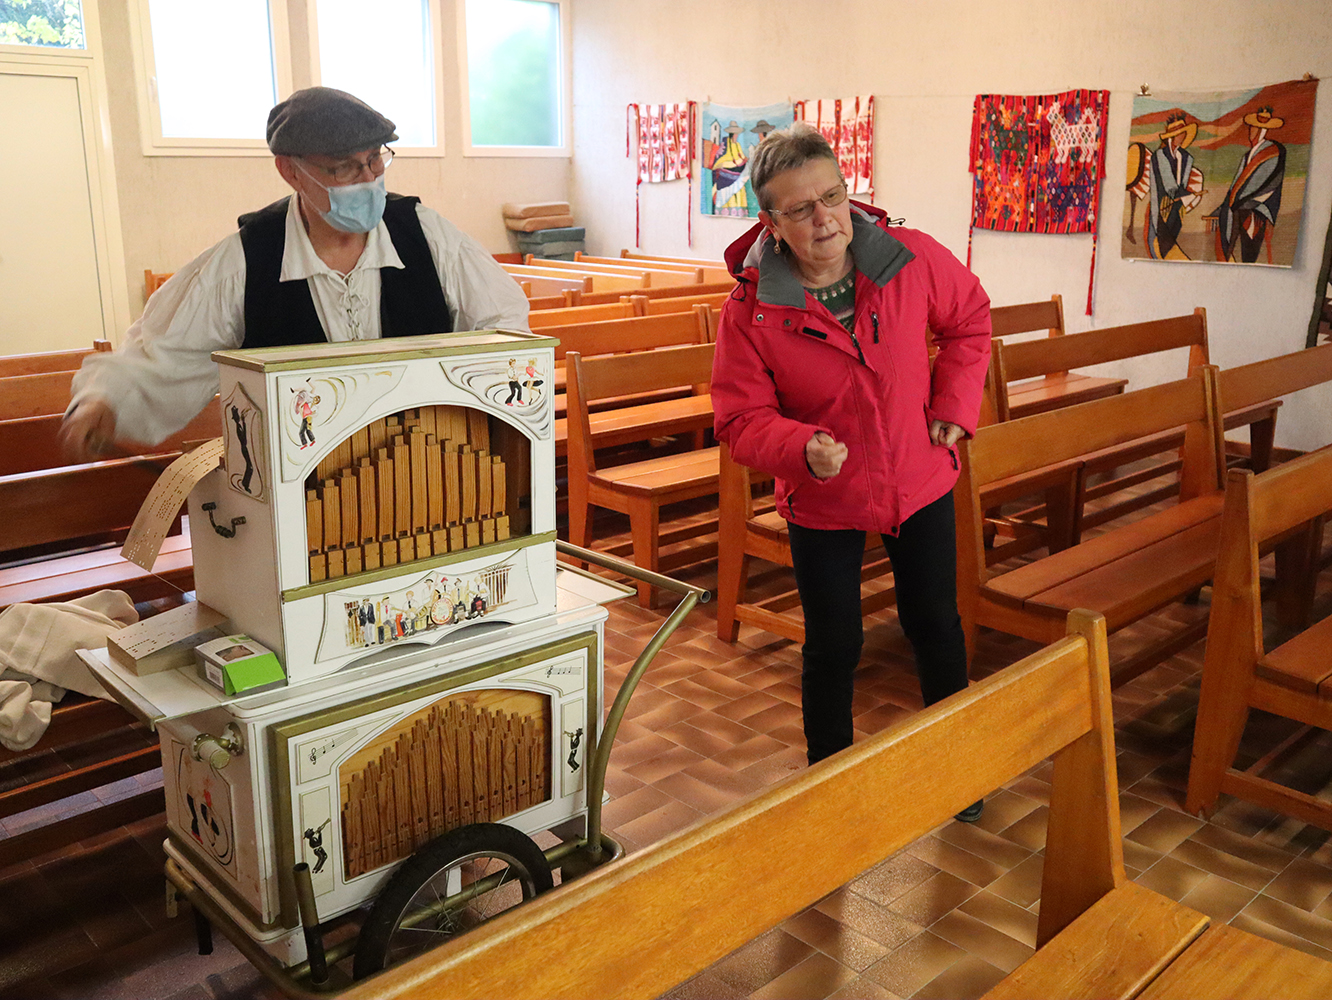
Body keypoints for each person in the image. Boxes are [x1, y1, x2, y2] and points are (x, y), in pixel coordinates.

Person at [710, 123, 992, 820]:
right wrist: (801, 446)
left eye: (833, 196)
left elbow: (970, 320)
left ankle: (956, 773)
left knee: (935, 623)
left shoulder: (910, 258)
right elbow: (739, 419)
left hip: (919, 477)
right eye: (800, 209)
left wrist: (955, 404)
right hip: (825, 494)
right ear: (770, 222)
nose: (825, 219)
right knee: (834, 642)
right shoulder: (751, 310)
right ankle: (828, 780)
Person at [61, 87, 529, 460]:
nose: (367, 179)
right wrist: (105, 402)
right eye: (343, 168)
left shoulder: (428, 236)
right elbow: (159, 355)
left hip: (423, 476)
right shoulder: (245, 261)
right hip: (302, 498)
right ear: (291, 172)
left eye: (374, 159)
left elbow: (505, 324)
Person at [1214, 106, 1286, 264]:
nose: (1250, 131)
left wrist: (1237, 203)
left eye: (1254, 128)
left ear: (1262, 130)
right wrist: (1226, 205)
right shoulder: (1248, 155)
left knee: (1249, 253)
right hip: (1240, 206)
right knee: (1226, 219)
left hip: (1258, 207)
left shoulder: (1273, 151)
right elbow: (1236, 186)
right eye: (1251, 127)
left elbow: (1263, 184)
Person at [1132, 113, 1205, 260]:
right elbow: (1169, 186)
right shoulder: (1159, 156)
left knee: (1172, 246)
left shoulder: (1186, 158)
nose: (1183, 136)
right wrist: (1189, 195)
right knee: (1162, 247)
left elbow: (1181, 183)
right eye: (1180, 133)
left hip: (1178, 210)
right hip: (1161, 209)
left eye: (1184, 133)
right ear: (1173, 136)